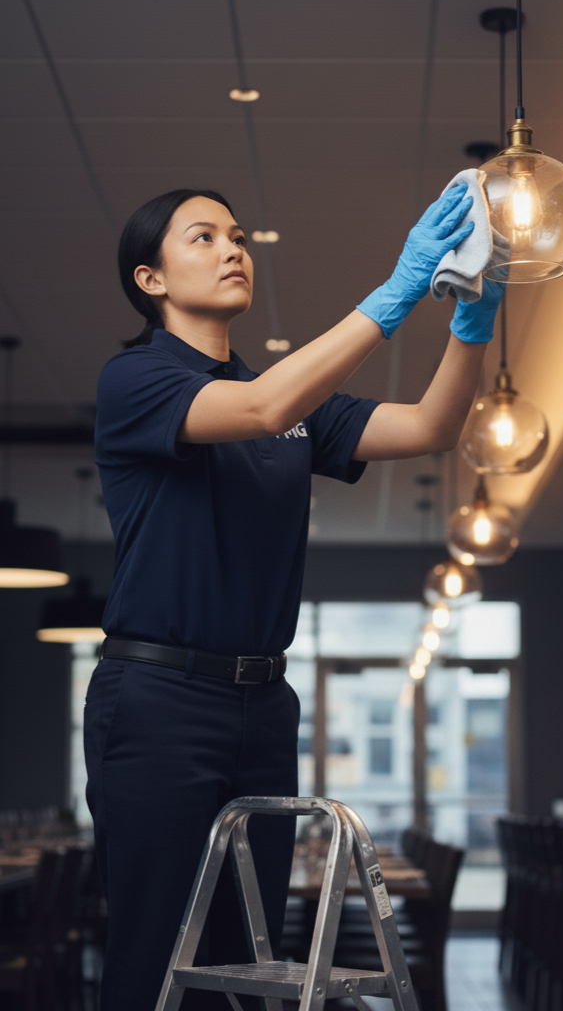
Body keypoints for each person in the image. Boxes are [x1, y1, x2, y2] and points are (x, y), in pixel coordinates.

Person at [85, 184, 503, 1011]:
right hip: (159, 698)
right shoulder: (135, 378)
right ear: (151, 279)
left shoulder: (291, 406)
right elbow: (261, 405)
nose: (233, 247)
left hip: (261, 703)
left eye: (237, 235)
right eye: (202, 237)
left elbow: (427, 428)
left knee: (252, 960)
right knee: (159, 948)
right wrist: (395, 293)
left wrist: (472, 322)